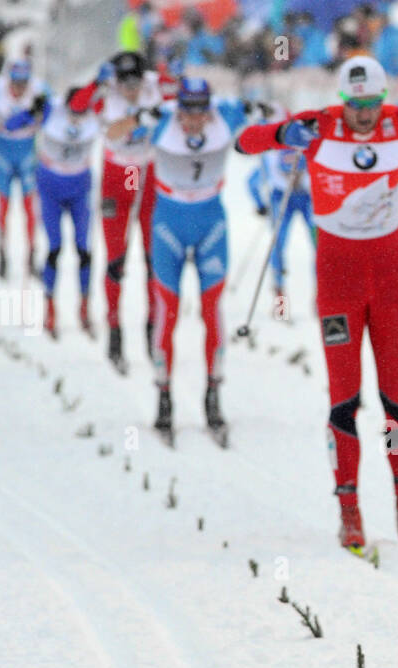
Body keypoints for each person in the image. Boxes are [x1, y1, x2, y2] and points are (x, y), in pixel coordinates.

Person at [236, 56, 398, 552]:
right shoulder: (317, 126)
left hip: (391, 273)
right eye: (355, 106)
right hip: (337, 276)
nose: (365, 115)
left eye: (372, 104)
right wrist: (283, 136)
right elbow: (247, 143)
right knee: (344, 396)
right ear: (342, 101)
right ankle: (349, 509)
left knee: (397, 395)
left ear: (383, 99)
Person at [106, 78, 253, 444]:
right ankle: (164, 396)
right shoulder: (161, 118)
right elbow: (112, 134)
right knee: (167, 310)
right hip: (168, 224)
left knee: (211, 308)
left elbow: (276, 119)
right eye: (187, 110)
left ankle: (213, 395)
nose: (193, 120)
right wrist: (139, 116)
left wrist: (284, 127)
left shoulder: (226, 114)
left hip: (211, 224)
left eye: (200, 111)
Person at [94, 50, 169, 372]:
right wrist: (139, 119)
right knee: (116, 259)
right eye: (124, 83)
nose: (130, 89)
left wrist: (174, 75)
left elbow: (189, 93)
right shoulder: (105, 94)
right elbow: (110, 131)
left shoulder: (156, 85)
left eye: (136, 82)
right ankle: (114, 330)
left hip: (147, 174)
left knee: (153, 259)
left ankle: (152, 330)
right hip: (118, 175)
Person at [33, 78, 101, 338]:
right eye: (74, 112)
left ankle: (84, 307)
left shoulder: (95, 116)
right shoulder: (53, 111)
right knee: (54, 248)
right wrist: (32, 111)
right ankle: (50, 308)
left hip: (80, 187)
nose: (77, 118)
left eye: (82, 113)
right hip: (50, 186)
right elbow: (14, 123)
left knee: (84, 250)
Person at [246, 109, 313, 313]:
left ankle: (320, 299)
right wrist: (260, 205)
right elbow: (252, 181)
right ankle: (280, 301)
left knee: (320, 244)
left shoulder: (308, 144)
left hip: (307, 198)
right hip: (281, 198)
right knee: (277, 247)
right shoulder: (272, 154)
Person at [0, 58, 48, 279]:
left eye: (24, 82)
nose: (20, 88)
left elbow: (60, 111)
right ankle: (1, 254)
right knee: (3, 208)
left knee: (30, 209)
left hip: (27, 156)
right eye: (16, 82)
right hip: (3, 156)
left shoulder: (40, 90)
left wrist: (44, 111)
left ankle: (31, 256)